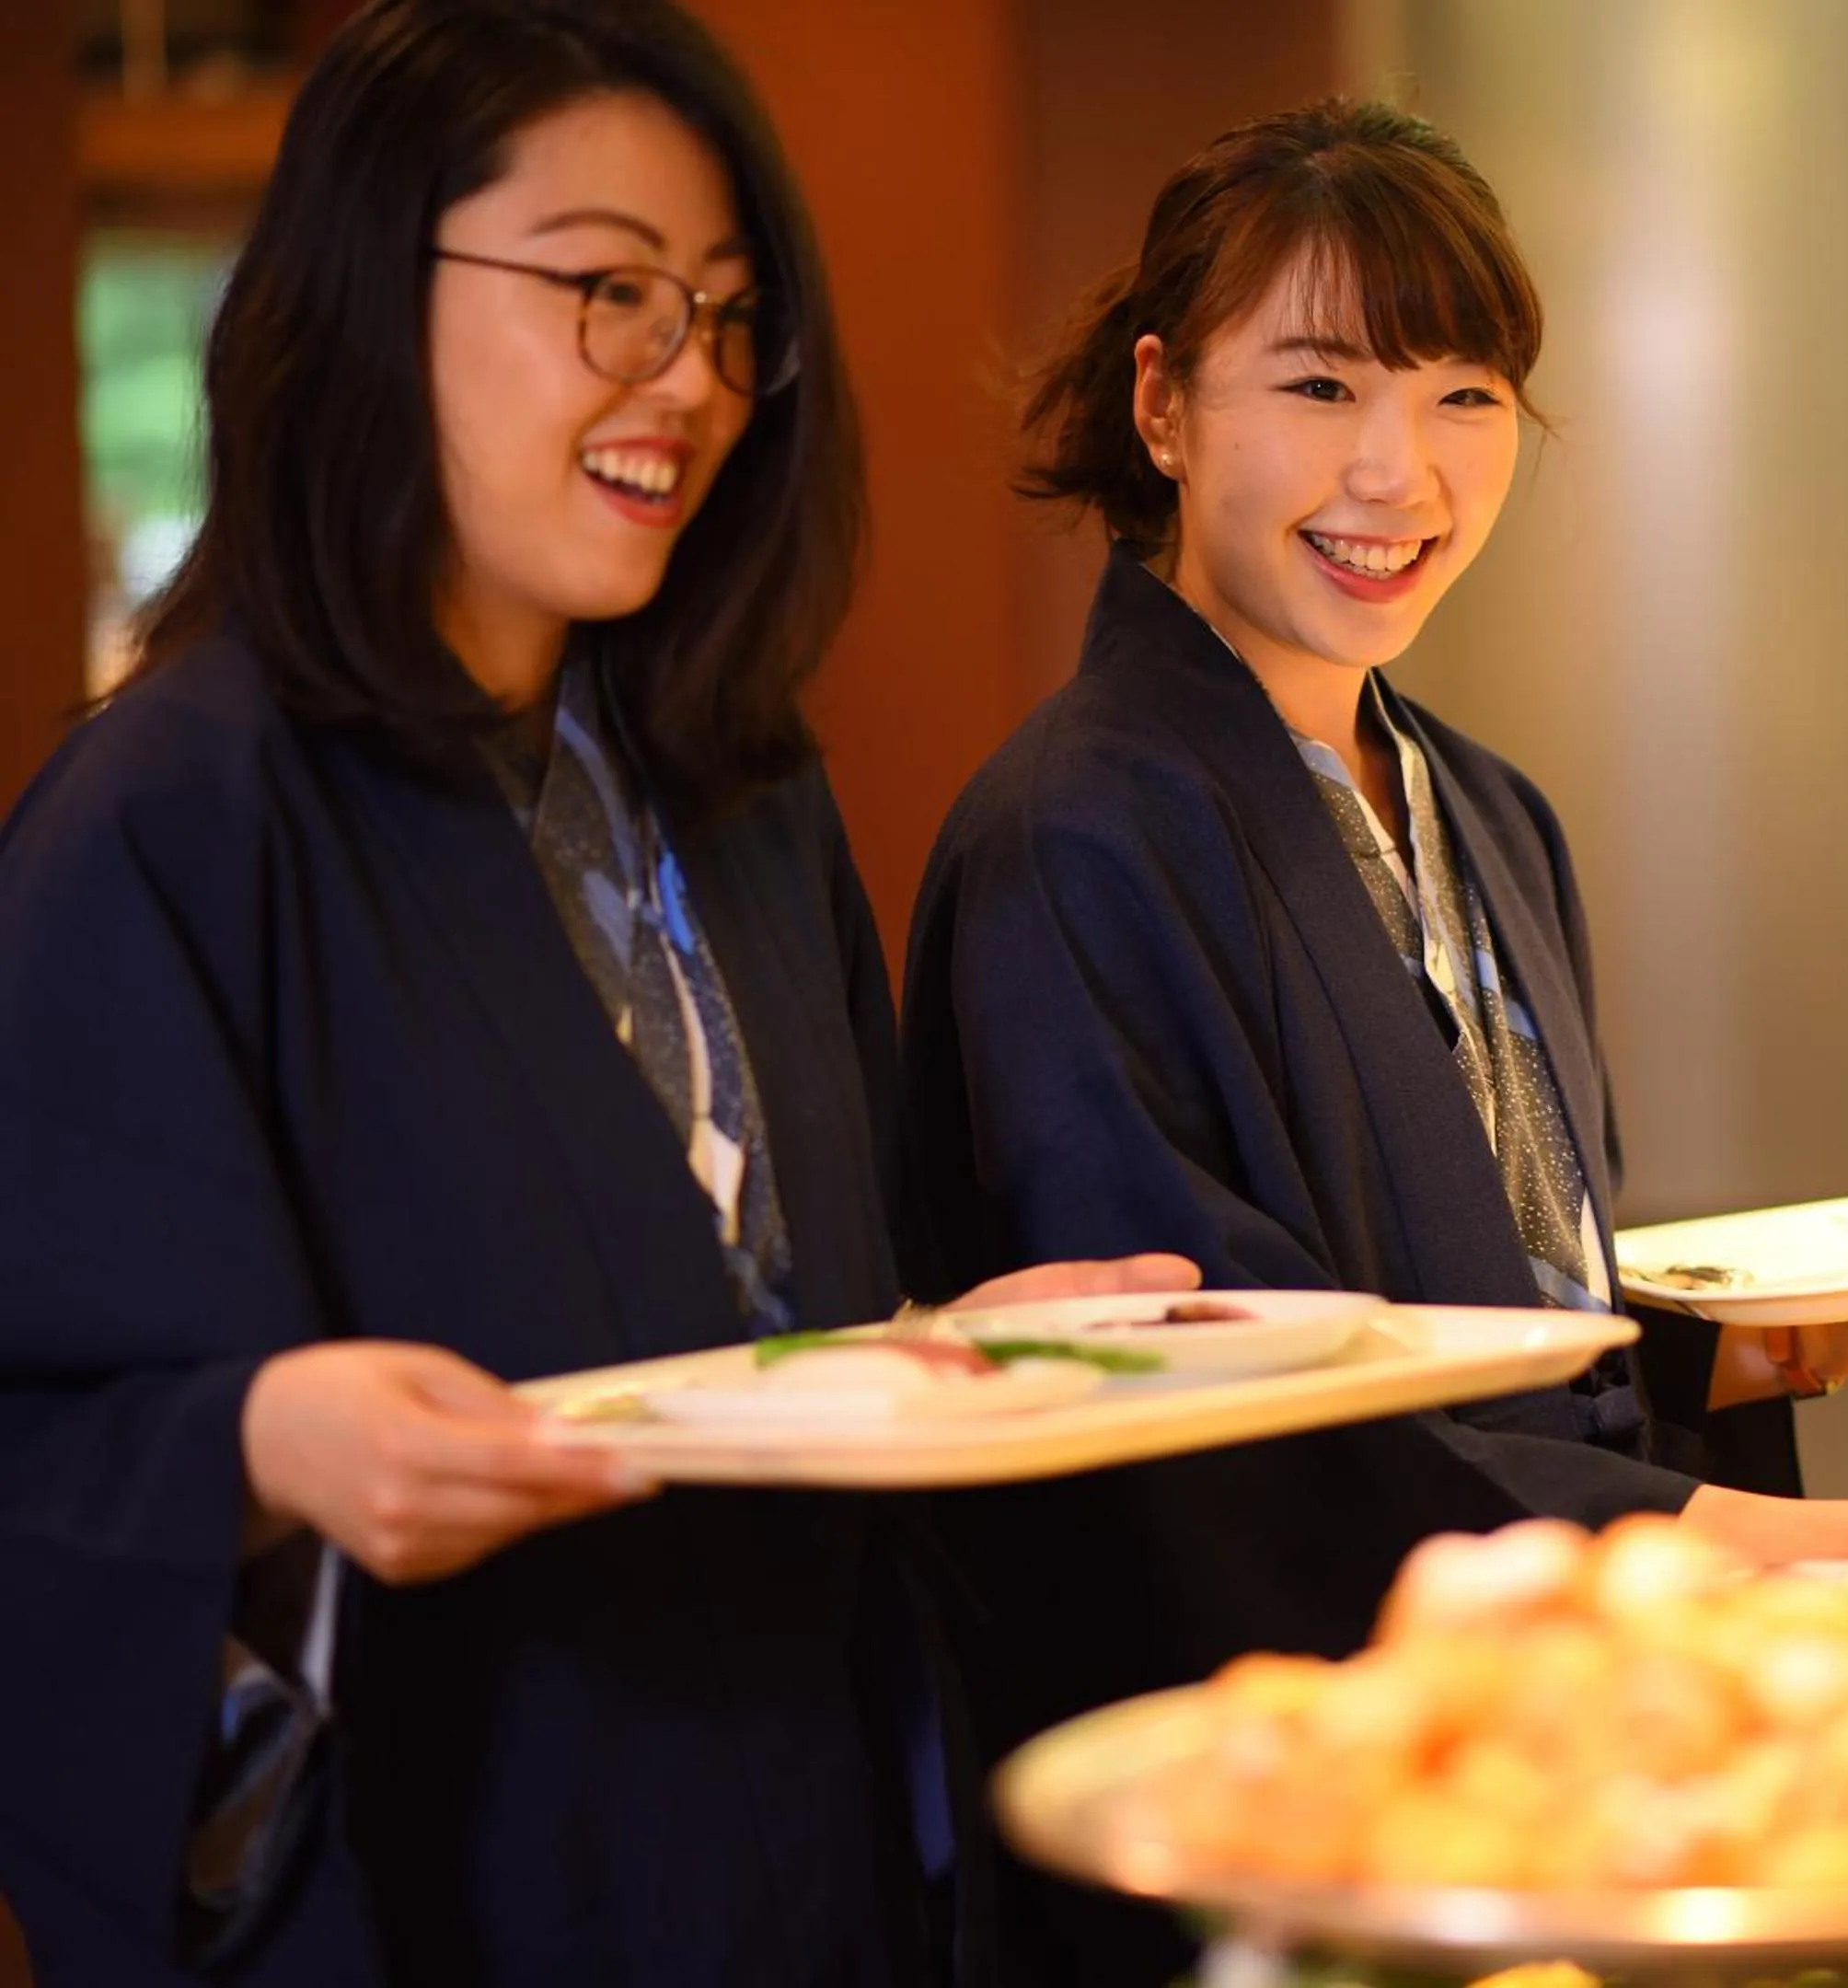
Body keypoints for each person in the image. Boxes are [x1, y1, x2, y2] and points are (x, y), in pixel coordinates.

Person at [0, 4, 1182, 1983]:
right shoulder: (171, 816)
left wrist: (924, 1343)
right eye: (610, 292)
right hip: (472, 1889)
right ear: (375, 288)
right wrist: (263, 1446)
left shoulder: (739, 785)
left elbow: (715, 1307)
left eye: (727, 317)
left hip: (815, 1860)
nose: (689, 384)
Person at [899, 98, 1848, 1983]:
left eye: (1461, 395)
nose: (1398, 473)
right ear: (1164, 407)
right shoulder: (1075, 832)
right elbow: (1196, 1425)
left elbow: (1521, 1310)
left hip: (1548, 1755)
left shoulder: (1486, 809)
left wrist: (1758, 1353)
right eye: (1322, 384)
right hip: (1288, 1801)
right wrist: (1708, 1543)